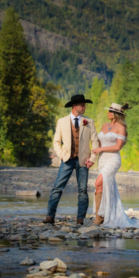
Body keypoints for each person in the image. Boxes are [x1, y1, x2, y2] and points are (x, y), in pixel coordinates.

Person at [92, 102, 139, 229]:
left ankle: (99, 217)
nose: (108, 112)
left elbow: (118, 147)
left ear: (116, 114)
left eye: (110, 111)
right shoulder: (104, 125)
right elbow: (97, 144)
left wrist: (101, 149)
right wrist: (91, 158)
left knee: (98, 182)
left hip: (113, 160)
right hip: (102, 160)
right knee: (104, 185)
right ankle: (102, 215)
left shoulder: (121, 127)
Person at [43, 94, 99, 225]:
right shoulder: (62, 121)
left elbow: (95, 142)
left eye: (85, 105)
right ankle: (50, 217)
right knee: (57, 188)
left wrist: (92, 159)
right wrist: (61, 154)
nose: (85, 107)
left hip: (84, 160)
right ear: (75, 106)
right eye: (82, 105)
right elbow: (56, 141)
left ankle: (80, 219)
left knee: (83, 191)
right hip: (67, 159)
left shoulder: (89, 122)